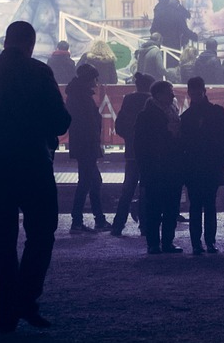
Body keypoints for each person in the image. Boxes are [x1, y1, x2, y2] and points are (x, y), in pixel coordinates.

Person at [0, 21, 72, 333]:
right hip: (32, 163)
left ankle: (5, 314)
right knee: (41, 233)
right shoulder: (39, 73)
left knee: (1, 242)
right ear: (30, 43)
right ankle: (26, 299)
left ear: (6, 41)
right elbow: (60, 120)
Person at [180, 76, 224, 255]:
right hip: (211, 163)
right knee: (209, 205)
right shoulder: (217, 112)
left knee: (196, 206)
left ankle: (198, 243)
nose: (195, 95)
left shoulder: (185, 117)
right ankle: (209, 242)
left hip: (194, 165)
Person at [136, 79, 185, 254]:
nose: (172, 94)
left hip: (168, 168)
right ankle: (157, 243)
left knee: (168, 208)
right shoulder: (148, 116)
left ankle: (162, 242)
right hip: (157, 168)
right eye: (168, 91)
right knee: (157, 208)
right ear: (158, 95)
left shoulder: (159, 113)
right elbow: (142, 145)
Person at [66, 63, 109, 233]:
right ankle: (80, 220)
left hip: (82, 144)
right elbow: (90, 124)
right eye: (95, 78)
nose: (96, 82)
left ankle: (94, 219)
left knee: (90, 181)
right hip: (87, 145)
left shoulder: (76, 95)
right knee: (87, 182)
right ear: (89, 79)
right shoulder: (82, 97)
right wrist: (96, 144)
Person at [111, 72, 154, 237]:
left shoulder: (128, 100)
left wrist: (130, 139)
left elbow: (119, 125)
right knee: (146, 188)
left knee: (127, 189)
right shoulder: (152, 102)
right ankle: (145, 225)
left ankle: (118, 225)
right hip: (149, 153)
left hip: (132, 151)